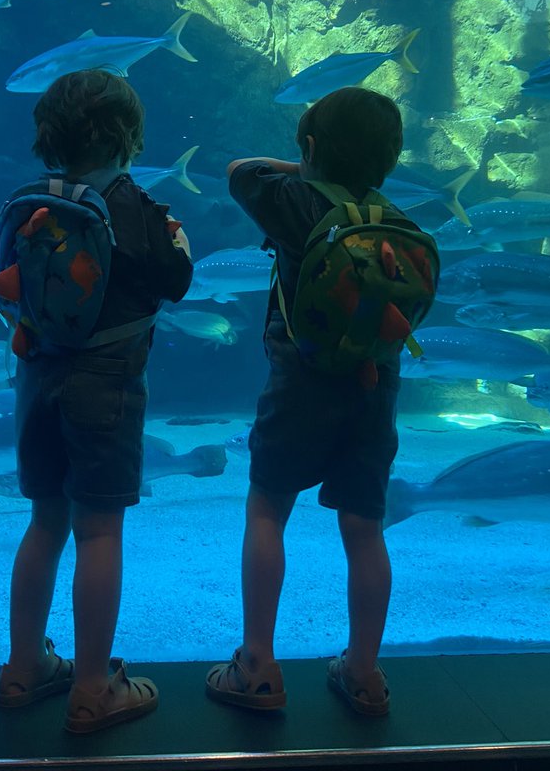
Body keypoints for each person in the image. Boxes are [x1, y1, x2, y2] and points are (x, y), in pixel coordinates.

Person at [0, 69, 193, 732]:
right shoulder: (136, 206)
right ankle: (91, 689)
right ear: (128, 136)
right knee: (99, 530)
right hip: (106, 387)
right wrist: (179, 242)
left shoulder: (26, 203)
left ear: (45, 137)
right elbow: (176, 283)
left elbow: (9, 288)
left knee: (44, 524)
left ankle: (24, 669)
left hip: (38, 381)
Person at [206, 86, 411, 717]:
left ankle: (259, 666)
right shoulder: (399, 224)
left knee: (268, 510)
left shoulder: (292, 203)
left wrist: (308, 168)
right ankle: (364, 671)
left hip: (299, 386)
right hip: (373, 392)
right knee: (364, 529)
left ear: (311, 148)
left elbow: (240, 170)